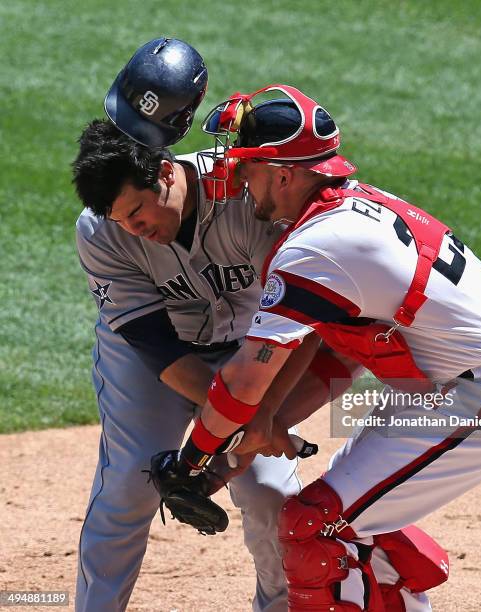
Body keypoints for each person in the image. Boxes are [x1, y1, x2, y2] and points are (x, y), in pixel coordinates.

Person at [166, 84, 481, 610]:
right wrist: (254, 434)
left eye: (247, 166)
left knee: (314, 526)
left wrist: (192, 461)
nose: (236, 178)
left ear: (283, 174)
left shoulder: (318, 246)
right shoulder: (342, 215)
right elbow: (340, 355)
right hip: (448, 389)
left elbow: (242, 380)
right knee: (354, 521)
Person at [72, 40, 319, 612]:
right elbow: (157, 349)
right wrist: (234, 420)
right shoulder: (100, 233)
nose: (134, 231)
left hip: (249, 350)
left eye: (138, 215)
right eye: (120, 222)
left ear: (164, 172)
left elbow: (305, 324)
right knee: (129, 490)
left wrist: (256, 420)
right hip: (151, 365)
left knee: (269, 494)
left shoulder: (246, 198)